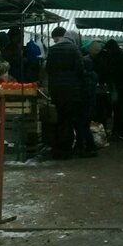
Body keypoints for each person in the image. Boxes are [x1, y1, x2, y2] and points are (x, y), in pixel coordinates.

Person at [45, 27, 84, 159]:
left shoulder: (52, 49)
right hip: (72, 91)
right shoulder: (74, 49)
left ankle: (57, 148)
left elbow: (48, 69)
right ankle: (66, 148)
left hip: (56, 90)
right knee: (69, 119)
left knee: (60, 118)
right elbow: (80, 69)